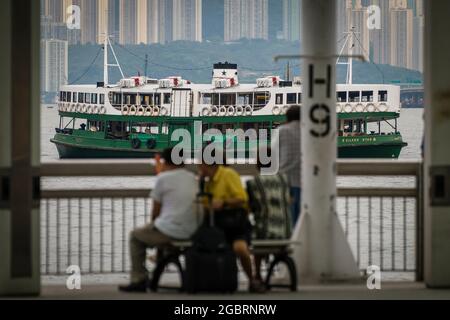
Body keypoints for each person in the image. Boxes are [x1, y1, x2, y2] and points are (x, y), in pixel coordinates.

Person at [119, 147, 198, 292]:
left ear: (166, 161)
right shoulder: (192, 178)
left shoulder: (163, 179)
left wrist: (153, 226)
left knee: (135, 236)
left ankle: (139, 279)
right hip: (193, 232)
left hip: (171, 232)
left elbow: (155, 213)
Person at [197, 153, 266, 293]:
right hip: (216, 225)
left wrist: (224, 203)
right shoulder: (206, 181)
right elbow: (204, 204)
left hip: (235, 224)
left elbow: (242, 198)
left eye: (200, 162)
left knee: (240, 248)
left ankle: (252, 279)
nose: (198, 165)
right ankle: (215, 281)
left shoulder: (228, 174)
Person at [246, 148, 292, 281]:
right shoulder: (284, 180)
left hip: (264, 233)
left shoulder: (254, 183)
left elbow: (248, 208)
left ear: (257, 164)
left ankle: (257, 275)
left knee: (255, 231)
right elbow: (289, 200)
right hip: (286, 232)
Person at [271, 105, 301, 225]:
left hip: (285, 180)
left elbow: (272, 152)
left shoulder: (282, 131)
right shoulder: (309, 131)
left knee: (288, 218)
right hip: (306, 182)